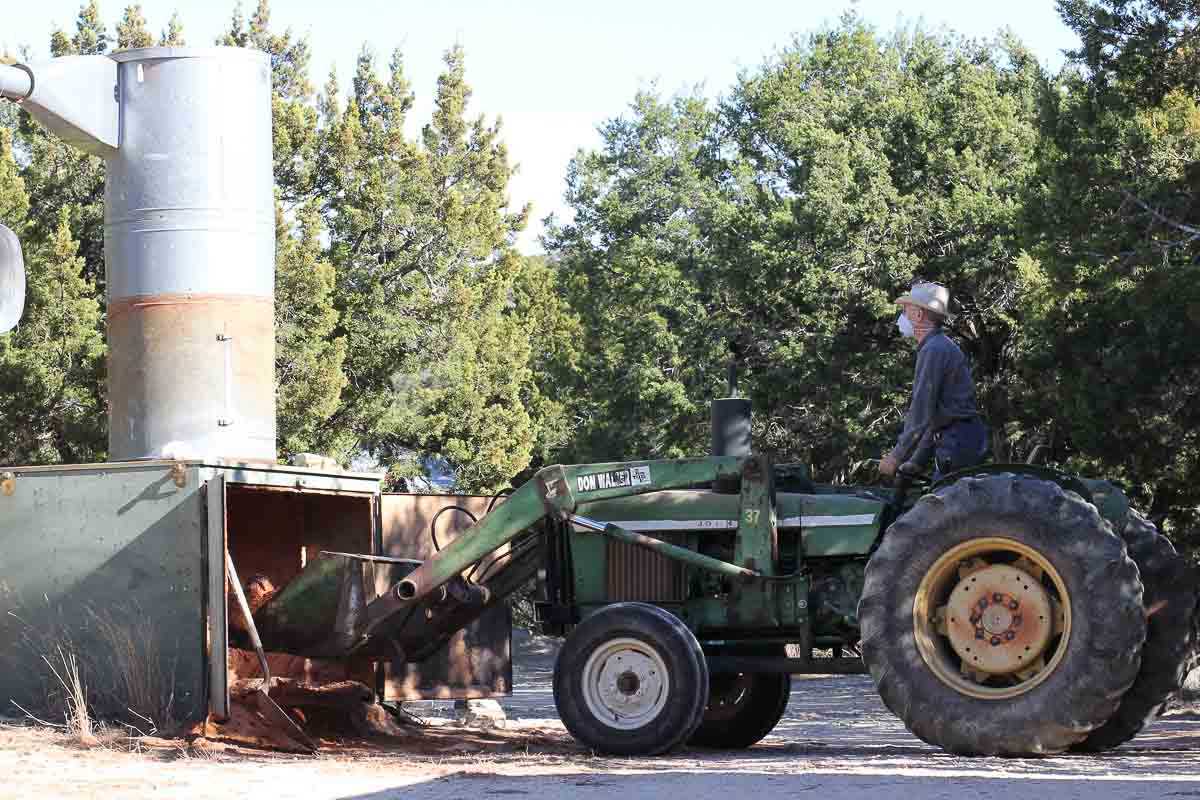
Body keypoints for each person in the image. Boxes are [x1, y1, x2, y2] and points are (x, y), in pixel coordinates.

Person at [879, 282, 988, 480]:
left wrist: (895, 457)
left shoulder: (934, 350)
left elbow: (921, 411)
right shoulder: (937, 346)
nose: (901, 317)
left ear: (919, 315)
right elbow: (938, 415)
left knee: (944, 506)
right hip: (960, 439)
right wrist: (918, 459)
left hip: (958, 441)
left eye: (905, 311)